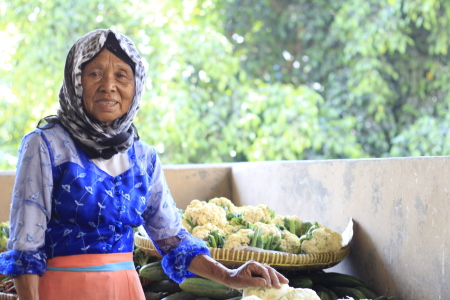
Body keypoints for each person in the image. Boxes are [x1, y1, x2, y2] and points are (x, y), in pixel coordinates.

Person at [0, 29, 288, 299]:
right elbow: (26, 243)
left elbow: (172, 240)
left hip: (127, 289)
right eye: (95, 73)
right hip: (62, 289)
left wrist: (230, 275)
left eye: (122, 76)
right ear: (76, 80)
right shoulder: (45, 145)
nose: (108, 86)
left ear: (136, 87)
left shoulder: (143, 157)